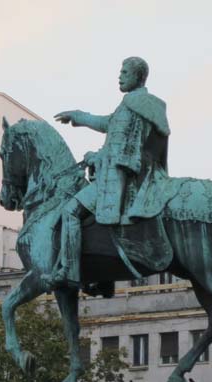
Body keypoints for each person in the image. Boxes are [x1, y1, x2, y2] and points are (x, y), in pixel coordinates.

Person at [49, 56, 171, 287]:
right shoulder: (136, 104)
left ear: (138, 76)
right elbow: (110, 124)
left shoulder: (135, 105)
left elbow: (123, 149)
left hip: (119, 176)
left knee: (71, 211)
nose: (120, 76)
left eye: (125, 73)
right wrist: (80, 116)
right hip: (130, 172)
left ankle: (69, 270)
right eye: (121, 72)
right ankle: (104, 278)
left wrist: (96, 157)